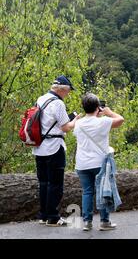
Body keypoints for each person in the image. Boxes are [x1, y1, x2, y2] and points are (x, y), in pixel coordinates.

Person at [33, 76, 80, 227]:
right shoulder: (58, 103)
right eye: (68, 91)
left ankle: (43, 215)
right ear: (62, 89)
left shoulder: (41, 99)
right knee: (55, 184)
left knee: (44, 182)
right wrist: (75, 120)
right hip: (54, 147)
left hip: (39, 147)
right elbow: (65, 127)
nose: (68, 94)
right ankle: (53, 217)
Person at [74, 94, 124, 231]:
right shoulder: (103, 121)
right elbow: (120, 120)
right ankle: (104, 222)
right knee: (103, 191)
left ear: (83, 108)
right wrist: (108, 112)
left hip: (82, 164)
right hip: (99, 163)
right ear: (98, 107)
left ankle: (87, 222)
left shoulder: (78, 124)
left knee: (87, 192)